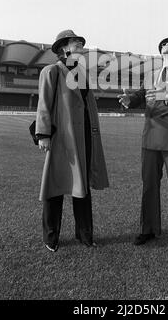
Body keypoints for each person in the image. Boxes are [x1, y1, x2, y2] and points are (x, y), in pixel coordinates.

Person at [118, 36, 168, 259]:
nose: (166, 46)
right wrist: (130, 100)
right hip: (150, 135)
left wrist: (167, 95)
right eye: (164, 44)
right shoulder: (153, 73)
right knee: (149, 185)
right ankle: (148, 230)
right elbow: (143, 95)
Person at [36, 29, 109, 252]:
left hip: (84, 137)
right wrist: (43, 134)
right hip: (61, 139)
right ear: (64, 48)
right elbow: (44, 104)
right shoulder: (51, 71)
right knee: (55, 188)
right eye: (76, 43)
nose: (81, 46)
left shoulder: (82, 73)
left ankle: (85, 235)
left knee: (83, 187)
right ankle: (51, 237)